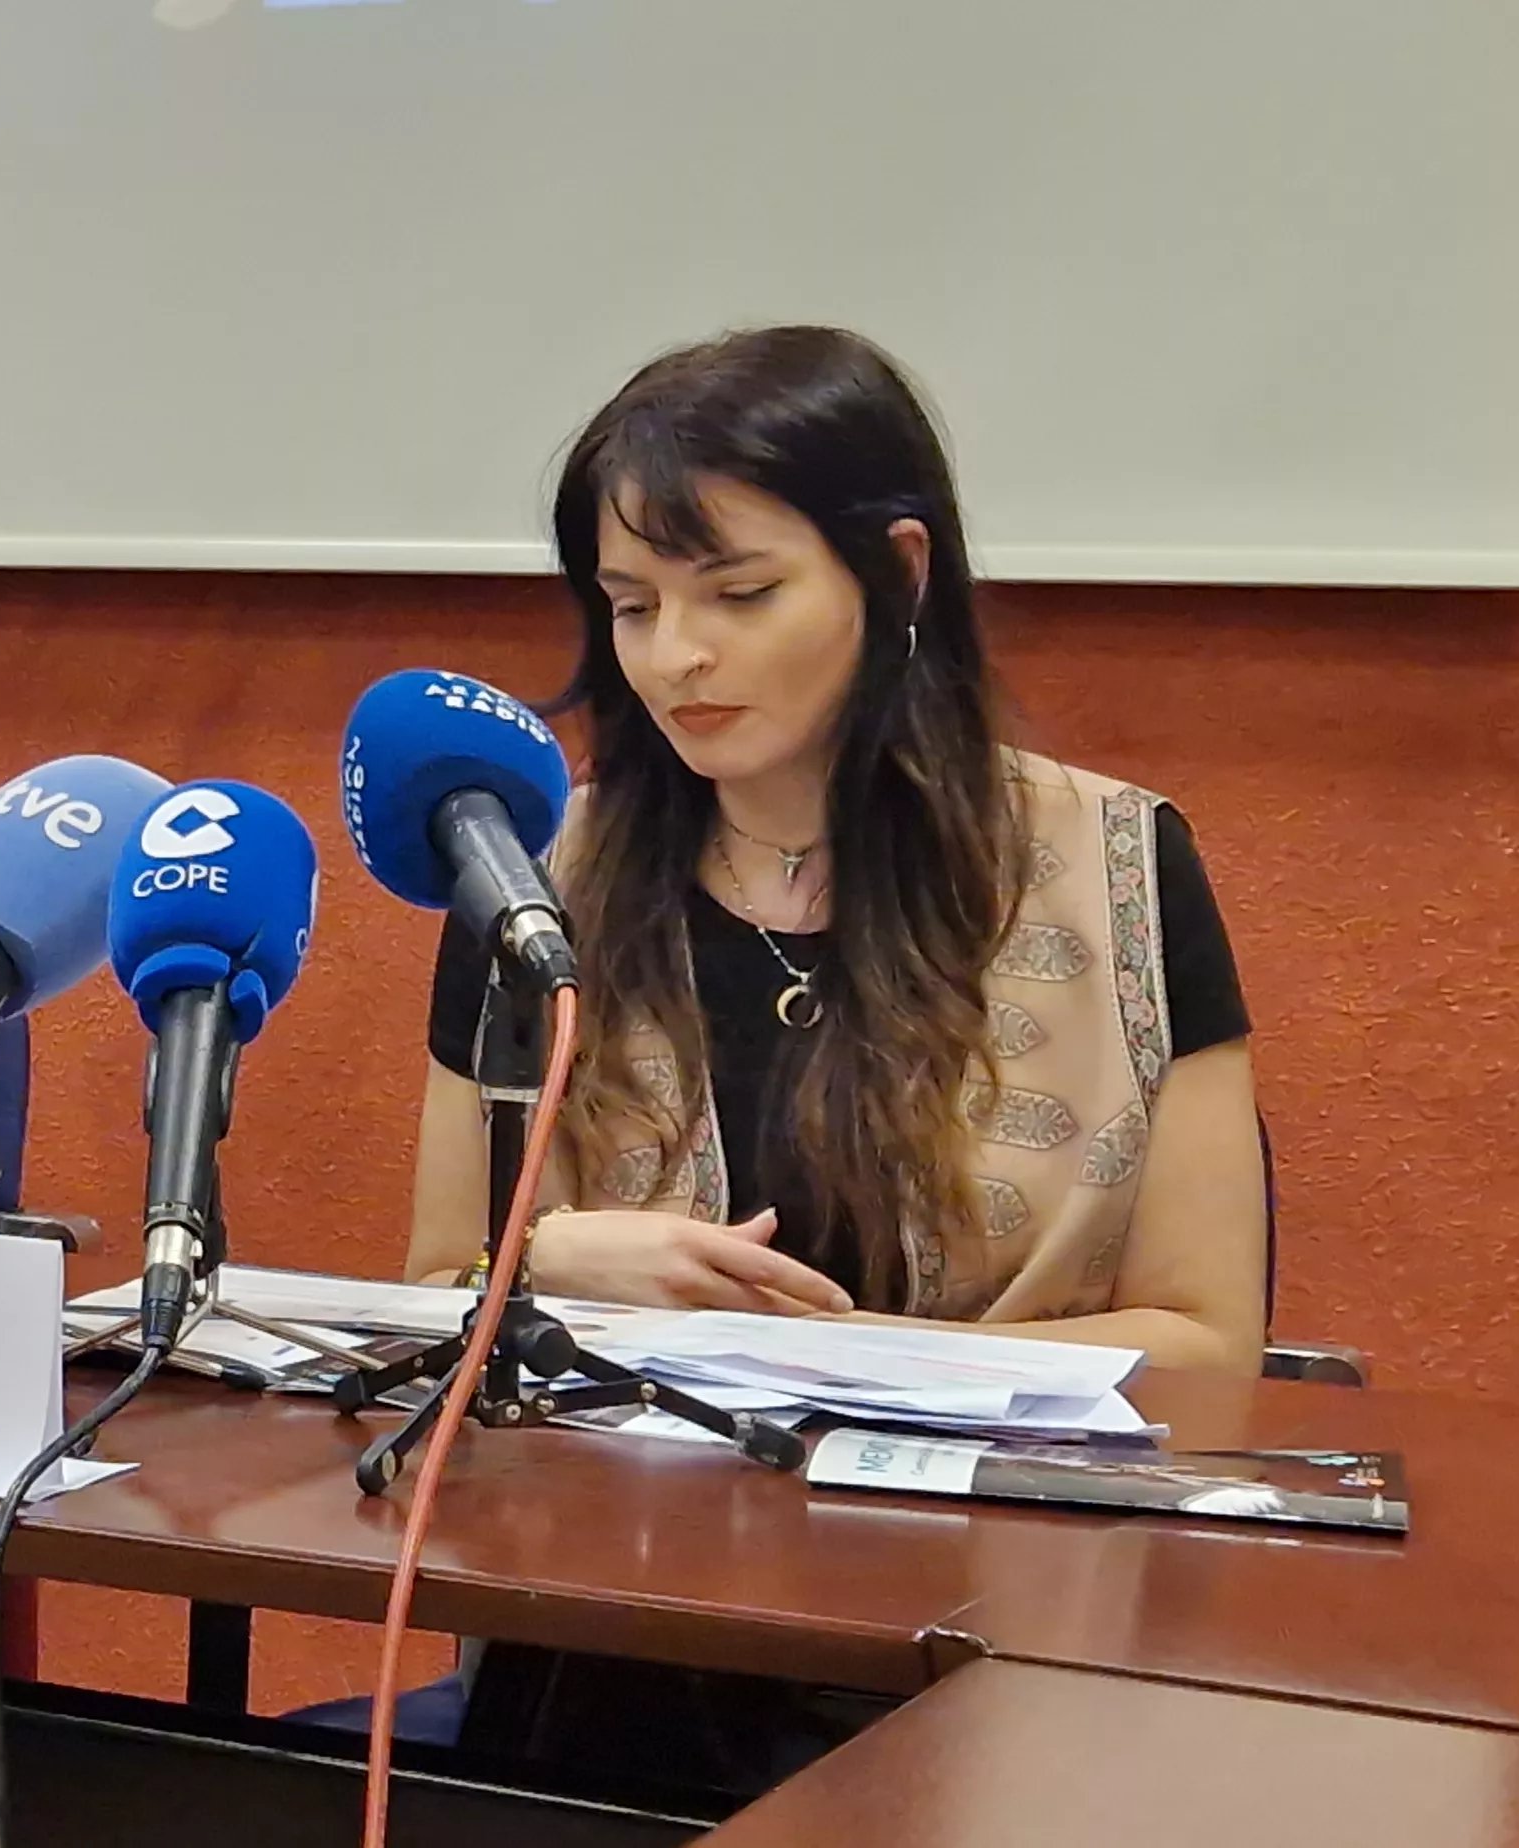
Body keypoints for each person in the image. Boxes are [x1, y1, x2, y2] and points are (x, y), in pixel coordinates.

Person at [364, 324, 1269, 1791]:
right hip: (616, 1639)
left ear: (897, 573)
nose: (676, 656)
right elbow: (422, 1303)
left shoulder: (1111, 866)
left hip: (993, 1650)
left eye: (741, 593)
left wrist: (824, 1363)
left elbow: (1212, 1353)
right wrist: (544, 1267)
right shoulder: (536, 879)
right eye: (631, 603)